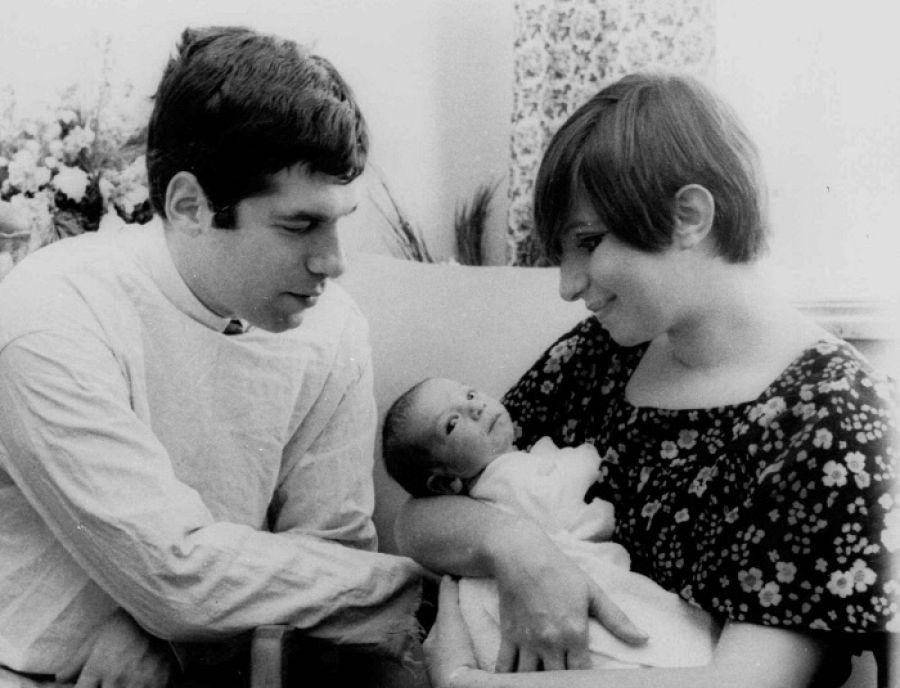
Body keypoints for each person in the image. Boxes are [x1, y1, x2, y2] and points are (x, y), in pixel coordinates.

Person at [396, 72, 898, 688]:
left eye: (588, 242)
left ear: (689, 216)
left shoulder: (836, 418)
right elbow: (420, 516)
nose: (568, 284)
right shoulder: (601, 354)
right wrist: (517, 548)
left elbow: (747, 682)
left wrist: (472, 684)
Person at [0, 26, 424, 687]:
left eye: (341, 219)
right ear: (191, 205)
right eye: (300, 224)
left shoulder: (334, 328)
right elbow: (178, 574)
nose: (334, 262)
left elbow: (326, 566)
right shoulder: (49, 314)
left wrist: (172, 634)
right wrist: (404, 588)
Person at [382, 376, 719, 671]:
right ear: (444, 484)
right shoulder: (502, 476)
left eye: (470, 395)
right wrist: (585, 456)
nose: (476, 408)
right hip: (563, 576)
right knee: (643, 633)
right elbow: (554, 495)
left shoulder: (500, 476)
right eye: (451, 423)